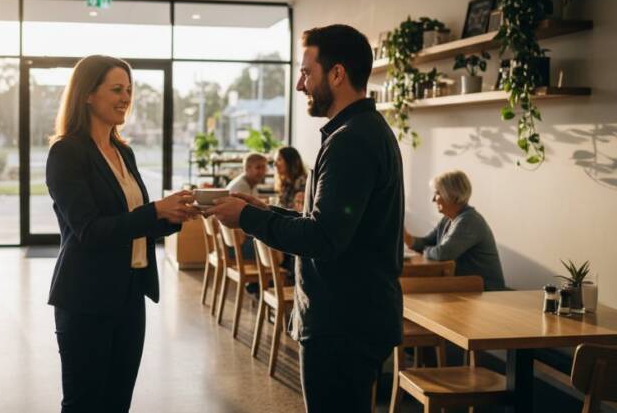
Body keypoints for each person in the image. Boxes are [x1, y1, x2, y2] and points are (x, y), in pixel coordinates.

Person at [208, 24, 404, 413]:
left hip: (343, 322)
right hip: (352, 317)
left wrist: (248, 217)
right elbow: (327, 222)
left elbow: (323, 238)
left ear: (337, 74)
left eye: (305, 72)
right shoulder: (358, 131)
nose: (300, 85)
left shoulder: (351, 139)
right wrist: (268, 211)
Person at [45, 55, 198, 412]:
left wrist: (176, 216)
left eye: (129, 90)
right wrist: (156, 209)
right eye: (116, 89)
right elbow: (90, 231)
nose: (125, 97)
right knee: (85, 404)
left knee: (117, 401)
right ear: (87, 94)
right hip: (85, 297)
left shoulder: (122, 152)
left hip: (130, 294)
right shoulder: (67, 152)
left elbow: (135, 223)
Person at [404, 170, 506, 291]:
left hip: (487, 292)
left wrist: (423, 251)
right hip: (466, 287)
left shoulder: (469, 220)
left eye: (437, 193)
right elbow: (427, 242)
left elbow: (442, 253)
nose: (433, 199)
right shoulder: (447, 220)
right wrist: (406, 237)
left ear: (452, 194)